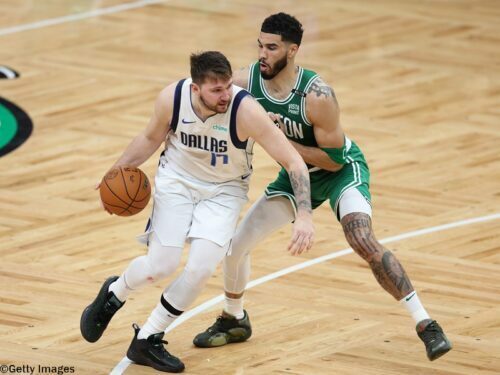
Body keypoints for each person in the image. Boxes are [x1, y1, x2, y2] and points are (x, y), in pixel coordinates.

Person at [193, 13, 452, 361]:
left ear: (293, 50)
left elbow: (331, 160)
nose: (262, 54)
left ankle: (426, 323)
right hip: (295, 177)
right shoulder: (245, 80)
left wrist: (274, 137)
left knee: (360, 237)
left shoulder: (317, 95)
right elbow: (202, 96)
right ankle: (233, 319)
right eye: (260, 46)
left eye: (272, 47)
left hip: (341, 172)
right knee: (235, 248)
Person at [80, 51, 314, 373]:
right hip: (177, 181)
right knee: (161, 265)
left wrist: (304, 215)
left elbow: (294, 161)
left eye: (228, 86)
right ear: (195, 88)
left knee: (202, 268)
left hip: (224, 191)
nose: (225, 95)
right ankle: (114, 292)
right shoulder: (172, 98)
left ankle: (147, 338)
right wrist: (114, 172)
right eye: (216, 90)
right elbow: (150, 138)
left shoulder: (245, 111)